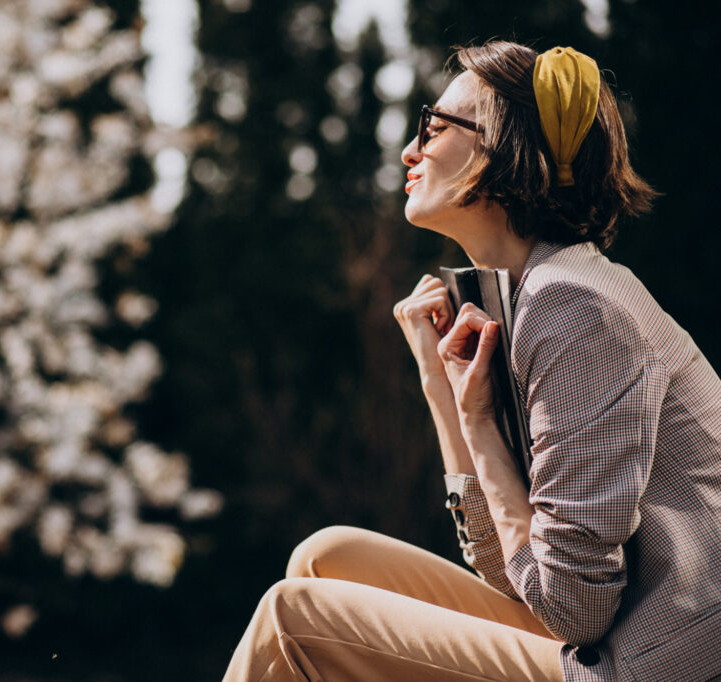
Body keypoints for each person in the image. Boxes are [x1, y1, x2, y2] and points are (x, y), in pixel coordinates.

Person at [222, 41, 721, 681]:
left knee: (293, 615)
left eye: (432, 127)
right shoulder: (533, 294)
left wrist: (481, 427)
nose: (410, 151)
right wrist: (443, 388)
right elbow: (508, 569)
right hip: (614, 637)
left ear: (501, 146)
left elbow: (572, 608)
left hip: (659, 663)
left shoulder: (575, 310)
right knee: (327, 557)